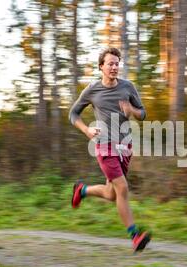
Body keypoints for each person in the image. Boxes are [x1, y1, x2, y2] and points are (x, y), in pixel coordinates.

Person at [68, 47, 151, 252]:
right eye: (110, 64)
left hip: (125, 147)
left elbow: (143, 114)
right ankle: (135, 236)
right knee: (122, 188)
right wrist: (86, 129)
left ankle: (82, 190)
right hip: (104, 146)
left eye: (117, 63)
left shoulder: (127, 87)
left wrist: (131, 110)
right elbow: (73, 114)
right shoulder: (92, 90)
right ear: (101, 67)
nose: (114, 67)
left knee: (112, 194)